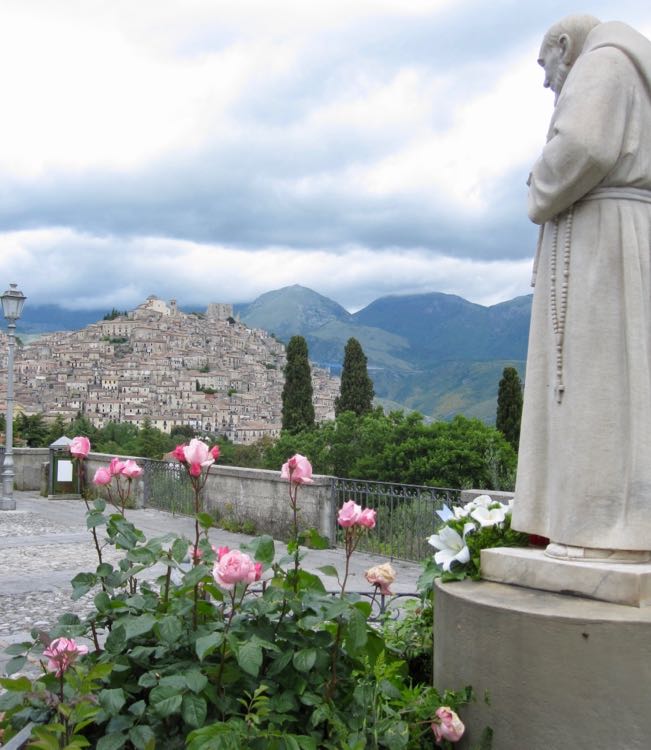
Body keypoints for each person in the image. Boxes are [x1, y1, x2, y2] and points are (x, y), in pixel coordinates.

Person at [511, 15, 651, 561]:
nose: (548, 84)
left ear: (564, 46)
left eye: (547, 70)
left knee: (598, 383)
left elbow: (585, 147)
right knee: (622, 379)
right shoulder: (632, 69)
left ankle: (599, 529)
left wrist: (537, 184)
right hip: (622, 236)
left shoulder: (604, 62)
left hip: (600, 244)